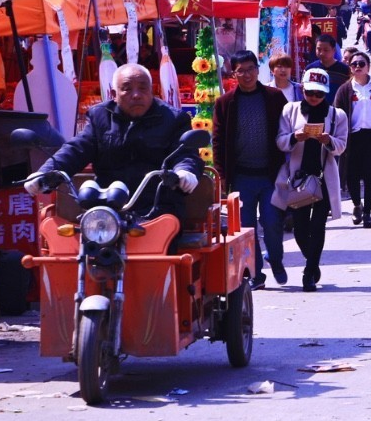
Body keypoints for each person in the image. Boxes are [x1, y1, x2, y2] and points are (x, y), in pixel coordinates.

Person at [26, 64, 203, 225]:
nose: (136, 95)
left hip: (157, 208)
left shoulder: (174, 119)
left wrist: (185, 172)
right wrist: (45, 173)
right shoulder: (99, 116)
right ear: (113, 94)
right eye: (127, 89)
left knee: (161, 246)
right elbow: (76, 149)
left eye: (143, 88)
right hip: (107, 208)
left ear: (152, 91)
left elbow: (185, 153)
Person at [213, 51, 288, 289]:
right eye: (241, 71)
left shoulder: (275, 98)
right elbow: (217, 141)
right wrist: (222, 176)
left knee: (272, 223)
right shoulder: (225, 103)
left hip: (270, 176)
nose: (247, 75)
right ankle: (257, 274)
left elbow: (287, 131)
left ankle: (275, 260)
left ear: (258, 69)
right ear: (233, 74)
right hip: (242, 176)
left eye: (250, 69)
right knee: (247, 228)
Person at [276, 68, 349, 291]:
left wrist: (328, 141)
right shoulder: (291, 110)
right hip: (298, 179)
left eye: (319, 94)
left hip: (323, 178)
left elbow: (341, 146)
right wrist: (293, 138)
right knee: (299, 228)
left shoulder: (337, 115)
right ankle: (313, 262)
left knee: (318, 226)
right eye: (310, 93)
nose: (314, 98)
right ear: (303, 90)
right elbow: (280, 140)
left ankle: (309, 273)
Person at [334, 49, 371, 228]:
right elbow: (337, 114)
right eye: (354, 64)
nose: (358, 67)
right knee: (351, 176)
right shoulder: (345, 89)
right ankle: (356, 205)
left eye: (362, 64)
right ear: (350, 68)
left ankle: (367, 212)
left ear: (368, 66)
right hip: (352, 138)